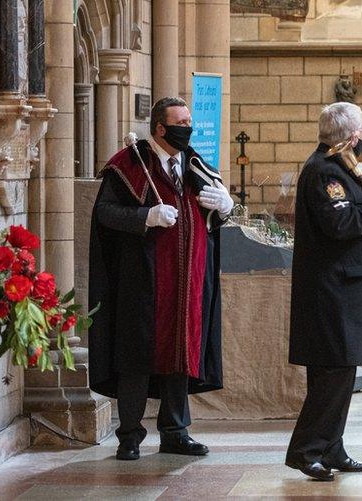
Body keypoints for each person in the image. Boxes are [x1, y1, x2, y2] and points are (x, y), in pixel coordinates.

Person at [88, 96, 233, 461]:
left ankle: (175, 431)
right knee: (137, 356)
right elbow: (105, 213)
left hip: (188, 281)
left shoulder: (196, 165)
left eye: (189, 121)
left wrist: (225, 207)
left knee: (180, 353)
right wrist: (146, 217)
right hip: (144, 281)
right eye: (180, 122)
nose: (187, 128)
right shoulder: (129, 164)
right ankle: (130, 435)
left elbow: (212, 218)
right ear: (159, 128)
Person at [285, 102, 362, 481]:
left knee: (341, 374)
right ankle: (306, 452)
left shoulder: (340, 167)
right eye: (361, 132)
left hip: (346, 289)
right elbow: (340, 223)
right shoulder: (324, 171)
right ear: (350, 136)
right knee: (332, 377)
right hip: (333, 292)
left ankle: (332, 447)